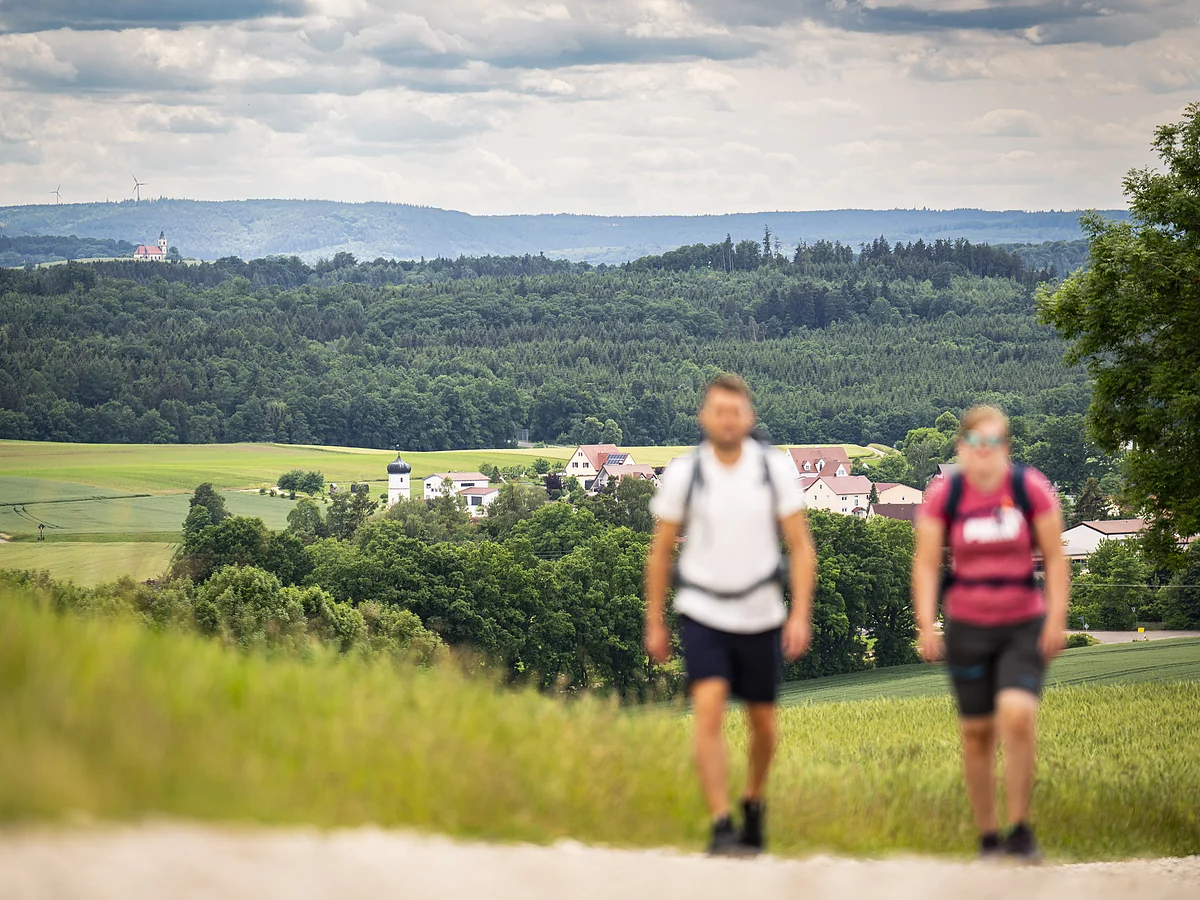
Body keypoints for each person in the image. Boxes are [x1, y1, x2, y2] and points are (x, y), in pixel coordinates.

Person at [644, 373, 817, 856]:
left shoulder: (773, 469)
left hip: (761, 613)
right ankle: (721, 823)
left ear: (749, 417)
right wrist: (655, 620)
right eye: (718, 411)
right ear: (704, 417)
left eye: (735, 411)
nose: (726, 419)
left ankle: (753, 801)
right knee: (710, 708)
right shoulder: (685, 473)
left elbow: (800, 546)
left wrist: (800, 613)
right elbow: (659, 553)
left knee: (764, 725)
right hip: (702, 609)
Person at [911, 406, 1068, 861]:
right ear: (961, 448)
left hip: (1022, 622)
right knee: (977, 733)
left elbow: (1056, 559)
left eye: (995, 443)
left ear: (1007, 448)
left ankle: (1020, 829)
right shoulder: (946, 496)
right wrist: (926, 623)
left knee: (1018, 718)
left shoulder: (1028, 488)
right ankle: (987, 837)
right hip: (967, 625)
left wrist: (1056, 618)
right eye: (976, 444)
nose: (985, 452)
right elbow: (924, 563)